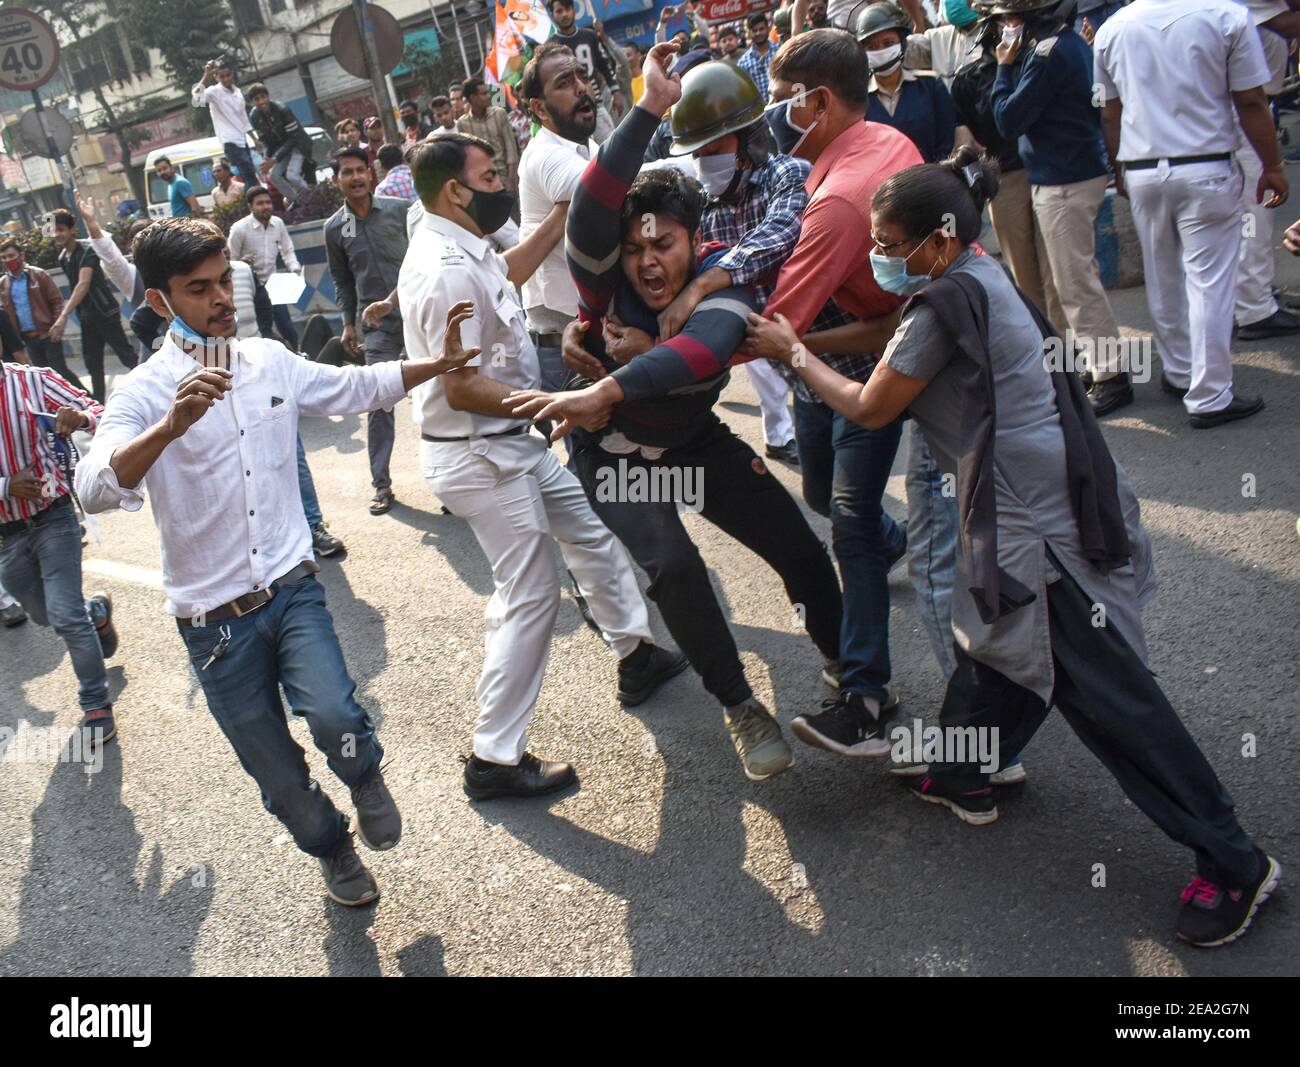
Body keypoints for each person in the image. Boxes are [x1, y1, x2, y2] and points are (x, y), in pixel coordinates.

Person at [750, 146, 1281, 949]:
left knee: (1110, 701)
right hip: (1040, 498)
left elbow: (866, 406)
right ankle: (967, 766)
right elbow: (889, 342)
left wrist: (793, 352)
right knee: (997, 651)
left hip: (1036, 532)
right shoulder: (975, 274)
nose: (877, 258)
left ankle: (1235, 860)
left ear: (937, 239)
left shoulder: (937, 310)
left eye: (889, 245)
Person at [76, 217, 481, 905]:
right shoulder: (144, 393)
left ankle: (364, 774)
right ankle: (333, 849)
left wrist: (434, 366)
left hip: (291, 589)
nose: (220, 300)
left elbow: (356, 387)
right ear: (159, 303)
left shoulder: (269, 359)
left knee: (335, 717)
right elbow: (94, 487)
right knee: (281, 781)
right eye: (197, 290)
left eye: (222, 282)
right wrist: (167, 428)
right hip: (212, 626)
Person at [508, 43, 846, 782]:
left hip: (692, 445)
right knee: (675, 567)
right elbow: (593, 209)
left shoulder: (725, 283)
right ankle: (739, 706)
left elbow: (703, 352)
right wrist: (649, 107)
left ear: (699, 240)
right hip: (620, 459)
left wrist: (609, 383)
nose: (649, 262)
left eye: (665, 244)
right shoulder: (602, 285)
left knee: (802, 552)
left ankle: (844, 663)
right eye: (634, 250)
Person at [399, 133, 687, 799]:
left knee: (589, 527)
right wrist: (561, 400)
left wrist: (561, 212)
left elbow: (510, 272)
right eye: (489, 173)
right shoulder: (444, 268)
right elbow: (459, 387)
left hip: (512, 441)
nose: (500, 181)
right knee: (528, 596)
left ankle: (636, 653)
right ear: (456, 191)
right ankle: (493, 757)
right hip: (480, 453)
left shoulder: (468, 245)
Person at [750, 28, 922, 755]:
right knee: (821, 494)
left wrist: (642, 366)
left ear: (817, 101)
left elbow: (771, 322)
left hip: (861, 374)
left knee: (847, 526)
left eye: (779, 101)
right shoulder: (877, 139)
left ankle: (865, 699)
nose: (768, 113)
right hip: (819, 372)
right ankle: (901, 539)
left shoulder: (842, 200)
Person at [1094, 0, 1286, 428]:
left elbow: (1111, 112)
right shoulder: (1226, 16)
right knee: (1209, 283)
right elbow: (1251, 101)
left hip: (1143, 168)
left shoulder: (1112, 27)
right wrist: (1272, 164)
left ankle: (1180, 372)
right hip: (1204, 166)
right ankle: (1210, 393)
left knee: (1162, 275)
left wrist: (1120, 169)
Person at [990, 0, 1131, 416]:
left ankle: (1112, 375)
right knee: (1073, 284)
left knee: (1075, 285)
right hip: (1067, 173)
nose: (1005, 27)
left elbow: (1007, 118)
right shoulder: (1062, 45)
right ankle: (1098, 364)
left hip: (1064, 180)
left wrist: (1002, 66)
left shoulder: (1048, 53)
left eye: (1010, 19)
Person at [658, 60, 801, 464]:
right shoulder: (699, 202)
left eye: (716, 150)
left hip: (818, 349)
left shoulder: (787, 175)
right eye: (698, 154)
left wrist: (704, 285)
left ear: (749, 141)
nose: (706, 162)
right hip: (755, 337)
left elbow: (779, 234)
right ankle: (780, 434)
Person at [1, 354, 118, 746]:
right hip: (6, 536)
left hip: (53, 517)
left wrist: (80, 418)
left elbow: (103, 413)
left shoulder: (32, 381)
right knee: (44, 614)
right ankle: (95, 614)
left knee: (65, 616)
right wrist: (5, 487)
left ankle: (96, 704)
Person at [324, 147, 412, 517]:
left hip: (419, 315)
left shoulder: (399, 210)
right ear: (336, 181)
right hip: (375, 327)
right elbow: (343, 281)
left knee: (441, 394)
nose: (356, 177)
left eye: (362, 170)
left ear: (371, 174)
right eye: (348, 172)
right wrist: (348, 322)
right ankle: (382, 484)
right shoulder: (335, 228)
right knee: (380, 399)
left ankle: (457, 480)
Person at [517, 42, 601, 396]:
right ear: (539, 108)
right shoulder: (545, 156)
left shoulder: (588, 148)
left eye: (582, 75)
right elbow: (618, 188)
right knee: (595, 446)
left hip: (587, 335)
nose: (581, 87)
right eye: (565, 82)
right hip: (563, 346)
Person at [1232, 4, 1300, 340]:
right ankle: (1254, 307)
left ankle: (1246, 296)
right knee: (1256, 207)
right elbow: (1288, 25)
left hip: (1246, 107)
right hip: (1244, 111)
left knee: (1248, 211)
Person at [50, 209, 138, 403]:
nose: (57, 234)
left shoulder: (88, 250)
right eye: (54, 230)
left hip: (105, 312)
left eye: (61, 229)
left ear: (73, 229)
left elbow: (83, 284)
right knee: (92, 364)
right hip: (86, 317)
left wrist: (63, 316)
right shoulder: (63, 257)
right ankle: (97, 407)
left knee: (126, 355)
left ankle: (153, 387)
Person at [857, 3, 957, 165]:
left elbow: (945, 142)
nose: (881, 50)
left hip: (930, 181)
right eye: (872, 46)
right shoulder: (857, 99)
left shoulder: (931, 85)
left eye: (888, 43)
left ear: (902, 44)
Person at [0, 239, 87, 392]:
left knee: (60, 371)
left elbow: (57, 301)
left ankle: (88, 400)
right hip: (27, 339)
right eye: (4, 257)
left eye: (11, 256)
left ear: (21, 255)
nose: (8, 260)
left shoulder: (38, 275)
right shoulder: (4, 283)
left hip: (48, 333)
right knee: (41, 376)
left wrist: (57, 324)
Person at [228, 185, 303, 351]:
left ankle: (297, 355)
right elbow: (229, 260)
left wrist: (294, 268)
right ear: (250, 207)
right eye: (260, 203)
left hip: (273, 283)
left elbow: (287, 249)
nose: (266, 207)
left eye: (268, 202)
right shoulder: (239, 229)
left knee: (286, 325)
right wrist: (242, 262)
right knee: (263, 330)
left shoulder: (278, 223)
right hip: (250, 289)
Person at [548, 0, 626, 140]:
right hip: (570, 111)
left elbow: (604, 64)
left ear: (573, 10)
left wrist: (616, 91)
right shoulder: (551, 46)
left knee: (611, 145)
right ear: (552, 15)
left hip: (596, 103)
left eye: (567, 9)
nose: (565, 14)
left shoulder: (589, 36)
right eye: (559, 11)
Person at [191, 57, 259, 182]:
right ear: (216, 77)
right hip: (229, 141)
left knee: (250, 174)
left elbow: (243, 119)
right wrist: (206, 75)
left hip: (242, 140)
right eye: (222, 77)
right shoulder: (214, 92)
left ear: (232, 73)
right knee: (248, 176)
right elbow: (196, 99)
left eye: (228, 75)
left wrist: (255, 140)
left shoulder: (238, 92)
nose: (226, 79)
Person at [246, 84, 315, 205]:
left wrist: (275, 159)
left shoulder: (282, 109)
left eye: (263, 97)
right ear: (252, 102)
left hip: (298, 145)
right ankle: (297, 202)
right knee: (273, 176)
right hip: (281, 149)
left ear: (268, 96)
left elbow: (294, 138)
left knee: (292, 175)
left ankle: (313, 199)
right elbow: (264, 139)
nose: (261, 101)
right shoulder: (254, 116)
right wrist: (267, 157)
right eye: (257, 99)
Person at [456, 77, 521, 193]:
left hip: (505, 179)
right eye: (484, 93)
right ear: (473, 98)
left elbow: (511, 150)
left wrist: (511, 182)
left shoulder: (499, 114)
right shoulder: (463, 124)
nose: (489, 96)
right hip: (482, 186)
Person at [737, 10, 776, 99]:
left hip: (781, 108)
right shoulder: (743, 62)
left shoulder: (780, 52)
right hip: (760, 111)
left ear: (768, 28)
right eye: (755, 30)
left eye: (761, 29)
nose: (758, 33)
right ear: (750, 33)